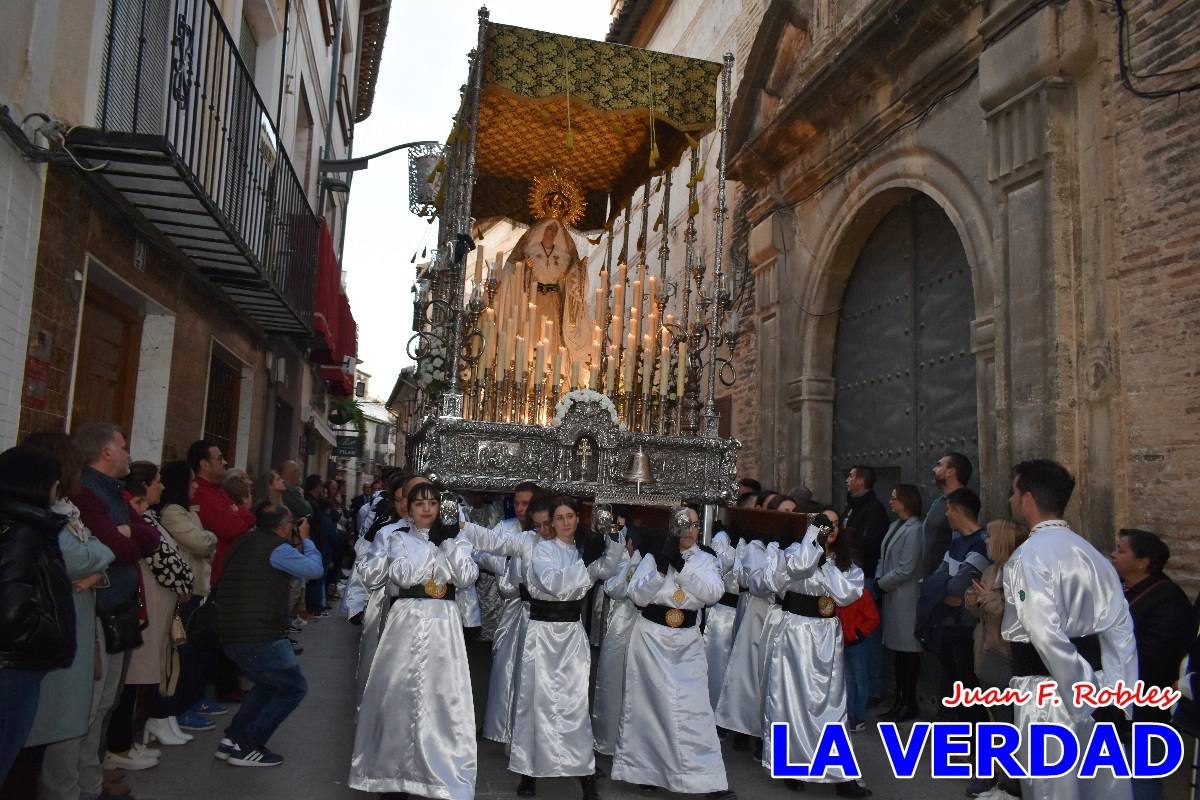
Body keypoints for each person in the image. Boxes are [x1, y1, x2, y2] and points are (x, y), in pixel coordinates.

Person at [460, 495, 623, 799]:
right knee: (533, 702)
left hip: (571, 634)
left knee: (574, 704)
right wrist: (460, 526)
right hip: (540, 633)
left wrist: (611, 538)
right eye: (550, 521)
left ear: (576, 518)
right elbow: (554, 583)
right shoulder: (536, 547)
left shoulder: (582, 547)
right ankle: (528, 770)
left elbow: (609, 567)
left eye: (564, 518)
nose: (554, 526)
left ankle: (583, 770)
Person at [1002, 459, 1137, 800]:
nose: (1010, 500)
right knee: (1102, 788)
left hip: (1048, 699)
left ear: (1028, 498)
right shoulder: (1094, 556)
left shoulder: (1027, 558)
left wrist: (1085, 695)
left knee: (1052, 789)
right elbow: (1120, 630)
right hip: (1102, 689)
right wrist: (1119, 699)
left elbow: (1044, 634)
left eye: (1013, 492)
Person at [349, 483, 479, 798]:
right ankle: (392, 773)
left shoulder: (456, 539)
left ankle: (437, 771)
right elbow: (387, 575)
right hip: (405, 621)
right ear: (407, 507)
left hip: (443, 624)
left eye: (432, 502)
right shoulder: (394, 537)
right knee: (397, 694)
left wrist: (447, 543)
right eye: (418, 503)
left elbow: (465, 577)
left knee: (441, 697)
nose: (426, 508)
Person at [611, 507, 733, 800]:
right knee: (649, 706)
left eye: (693, 525)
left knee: (694, 709)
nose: (689, 530)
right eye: (683, 524)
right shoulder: (654, 556)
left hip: (687, 639)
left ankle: (704, 778)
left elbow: (713, 593)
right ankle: (646, 771)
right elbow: (638, 595)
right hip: (651, 636)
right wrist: (662, 568)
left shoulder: (706, 559)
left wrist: (683, 566)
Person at [17, 433, 114, 800]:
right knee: (56, 730)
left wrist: (95, 568)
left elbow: (99, 552)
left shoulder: (66, 511)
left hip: (67, 630)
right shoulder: (47, 516)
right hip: (53, 633)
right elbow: (87, 555)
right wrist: (95, 563)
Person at [73, 423, 161, 792]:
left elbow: (149, 537)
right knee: (92, 705)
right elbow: (114, 547)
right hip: (100, 611)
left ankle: (91, 775)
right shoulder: (88, 494)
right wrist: (123, 536)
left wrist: (126, 534)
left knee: (107, 701)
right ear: (106, 452)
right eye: (123, 447)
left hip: (120, 607)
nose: (129, 454)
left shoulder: (115, 492)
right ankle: (84, 783)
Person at [761, 510, 871, 797]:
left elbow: (847, 594)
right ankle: (790, 764)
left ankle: (840, 773)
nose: (829, 529)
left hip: (826, 633)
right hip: (795, 630)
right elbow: (785, 576)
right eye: (822, 524)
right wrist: (813, 547)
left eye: (834, 525)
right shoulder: (797, 552)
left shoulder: (846, 563)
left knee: (831, 701)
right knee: (791, 699)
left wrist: (825, 564)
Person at [215, 502, 323, 767]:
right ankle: (247, 746)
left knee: (267, 685)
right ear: (285, 527)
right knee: (292, 688)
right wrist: (307, 541)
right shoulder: (278, 550)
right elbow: (314, 569)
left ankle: (233, 739)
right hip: (261, 634)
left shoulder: (243, 542)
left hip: (232, 630)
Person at [106, 463, 195, 763]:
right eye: (157, 482)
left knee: (146, 673)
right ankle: (119, 745)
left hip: (158, 604)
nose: (163, 487)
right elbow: (160, 553)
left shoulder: (151, 518)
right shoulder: (141, 517)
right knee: (132, 678)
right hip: (146, 605)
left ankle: (131, 738)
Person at [0, 446, 74, 790]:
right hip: (13, 666)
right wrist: (52, 635)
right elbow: (12, 610)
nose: (56, 492)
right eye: (54, 485)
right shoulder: (23, 532)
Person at [1110, 528, 1195, 800]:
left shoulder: (1167, 600)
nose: (1114, 554)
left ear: (1143, 562)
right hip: (1123, 705)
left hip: (1148, 709)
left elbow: (1155, 658)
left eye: (1121, 550)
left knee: (1143, 781)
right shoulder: (1126, 591)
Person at [157, 460, 224, 731]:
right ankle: (181, 708)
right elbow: (202, 541)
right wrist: (208, 539)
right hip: (184, 593)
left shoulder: (189, 512)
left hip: (197, 589)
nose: (195, 485)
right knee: (184, 654)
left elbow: (207, 542)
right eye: (191, 481)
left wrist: (207, 540)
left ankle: (193, 701)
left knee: (196, 653)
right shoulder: (173, 512)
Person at [963, 519, 1026, 798]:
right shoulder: (991, 570)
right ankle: (996, 774)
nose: (986, 542)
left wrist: (992, 602)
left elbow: (1018, 616)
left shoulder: (1018, 573)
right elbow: (978, 611)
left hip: (1005, 654)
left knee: (1006, 720)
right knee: (994, 717)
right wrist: (974, 600)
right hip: (986, 652)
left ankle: (1007, 779)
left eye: (990, 537)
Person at [917, 487, 989, 724]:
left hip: (966, 629)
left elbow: (956, 587)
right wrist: (943, 588)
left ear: (958, 510)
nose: (946, 514)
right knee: (954, 686)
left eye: (948, 509)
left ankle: (976, 748)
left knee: (969, 689)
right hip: (948, 625)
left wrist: (943, 588)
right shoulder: (957, 542)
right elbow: (936, 581)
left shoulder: (981, 544)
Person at [479, 481, 542, 745]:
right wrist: (506, 564)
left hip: (540, 614)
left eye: (526, 504)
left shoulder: (545, 533)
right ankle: (502, 726)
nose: (519, 508)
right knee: (506, 669)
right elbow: (480, 552)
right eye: (516, 502)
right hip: (513, 608)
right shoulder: (505, 528)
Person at [875, 483, 924, 722]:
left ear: (906, 501)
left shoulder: (915, 529)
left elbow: (907, 568)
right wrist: (878, 577)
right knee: (897, 654)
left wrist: (881, 584)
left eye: (895, 498)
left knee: (908, 654)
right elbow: (883, 557)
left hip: (906, 598)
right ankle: (898, 700)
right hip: (892, 596)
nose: (891, 501)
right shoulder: (895, 525)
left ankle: (909, 702)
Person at [842, 466, 889, 707]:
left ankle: (872, 690)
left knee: (867, 636)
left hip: (864, 578)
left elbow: (868, 543)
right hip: (848, 577)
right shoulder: (852, 506)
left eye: (851, 476)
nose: (847, 480)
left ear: (861, 480)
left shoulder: (873, 510)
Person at [592, 527, 640, 757]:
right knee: (614, 681)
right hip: (621, 623)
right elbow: (613, 588)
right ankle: (609, 738)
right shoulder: (620, 553)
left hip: (645, 627)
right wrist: (630, 567)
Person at [188, 440, 254, 586]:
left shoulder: (218, 489)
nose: (225, 462)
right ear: (204, 464)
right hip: (214, 574)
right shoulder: (201, 493)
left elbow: (246, 519)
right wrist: (240, 512)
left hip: (227, 569)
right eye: (219, 459)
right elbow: (233, 528)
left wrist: (238, 513)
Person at [703, 525, 741, 710]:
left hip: (746, 613)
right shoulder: (723, 537)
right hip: (723, 613)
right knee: (718, 664)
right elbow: (718, 564)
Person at [922, 452, 971, 577]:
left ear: (950, 472)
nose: (934, 469)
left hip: (946, 582)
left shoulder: (963, 502)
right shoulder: (939, 502)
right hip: (931, 579)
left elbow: (959, 547)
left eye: (939, 465)